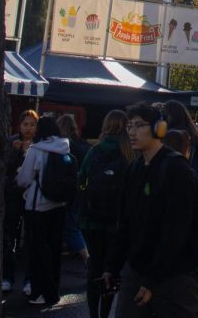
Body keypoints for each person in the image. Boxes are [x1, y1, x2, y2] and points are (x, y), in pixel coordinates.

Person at [104, 103, 198, 318]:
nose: (132, 132)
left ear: (159, 129)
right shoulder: (134, 169)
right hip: (136, 271)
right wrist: (112, 265)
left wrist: (152, 279)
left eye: (139, 125)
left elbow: (176, 229)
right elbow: (125, 221)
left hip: (173, 276)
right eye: (130, 126)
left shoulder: (176, 168)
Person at [80, 110, 133, 318]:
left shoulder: (95, 151)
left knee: (95, 267)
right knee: (111, 269)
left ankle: (93, 313)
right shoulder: (129, 153)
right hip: (117, 222)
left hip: (92, 219)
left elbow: (82, 178)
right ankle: (105, 312)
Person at [17, 115, 72, 306]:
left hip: (38, 204)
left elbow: (24, 178)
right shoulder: (64, 146)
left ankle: (40, 291)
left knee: (38, 252)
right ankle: (53, 290)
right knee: (54, 250)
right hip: (59, 204)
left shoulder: (36, 149)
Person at [4, 108, 38, 294]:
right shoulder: (12, 142)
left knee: (31, 237)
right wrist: (17, 153)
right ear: (20, 125)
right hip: (13, 195)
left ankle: (29, 279)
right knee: (10, 235)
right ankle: (7, 276)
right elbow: (5, 169)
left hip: (32, 196)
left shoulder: (40, 144)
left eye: (32, 125)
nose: (29, 129)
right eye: (26, 124)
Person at [58, 113, 91, 264]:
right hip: (82, 189)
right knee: (75, 223)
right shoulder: (84, 145)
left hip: (66, 190)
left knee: (70, 226)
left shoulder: (62, 147)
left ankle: (87, 259)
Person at [161, 99, 198, 181]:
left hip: (182, 178)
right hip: (196, 178)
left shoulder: (175, 134)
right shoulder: (193, 132)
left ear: (171, 115)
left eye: (165, 114)